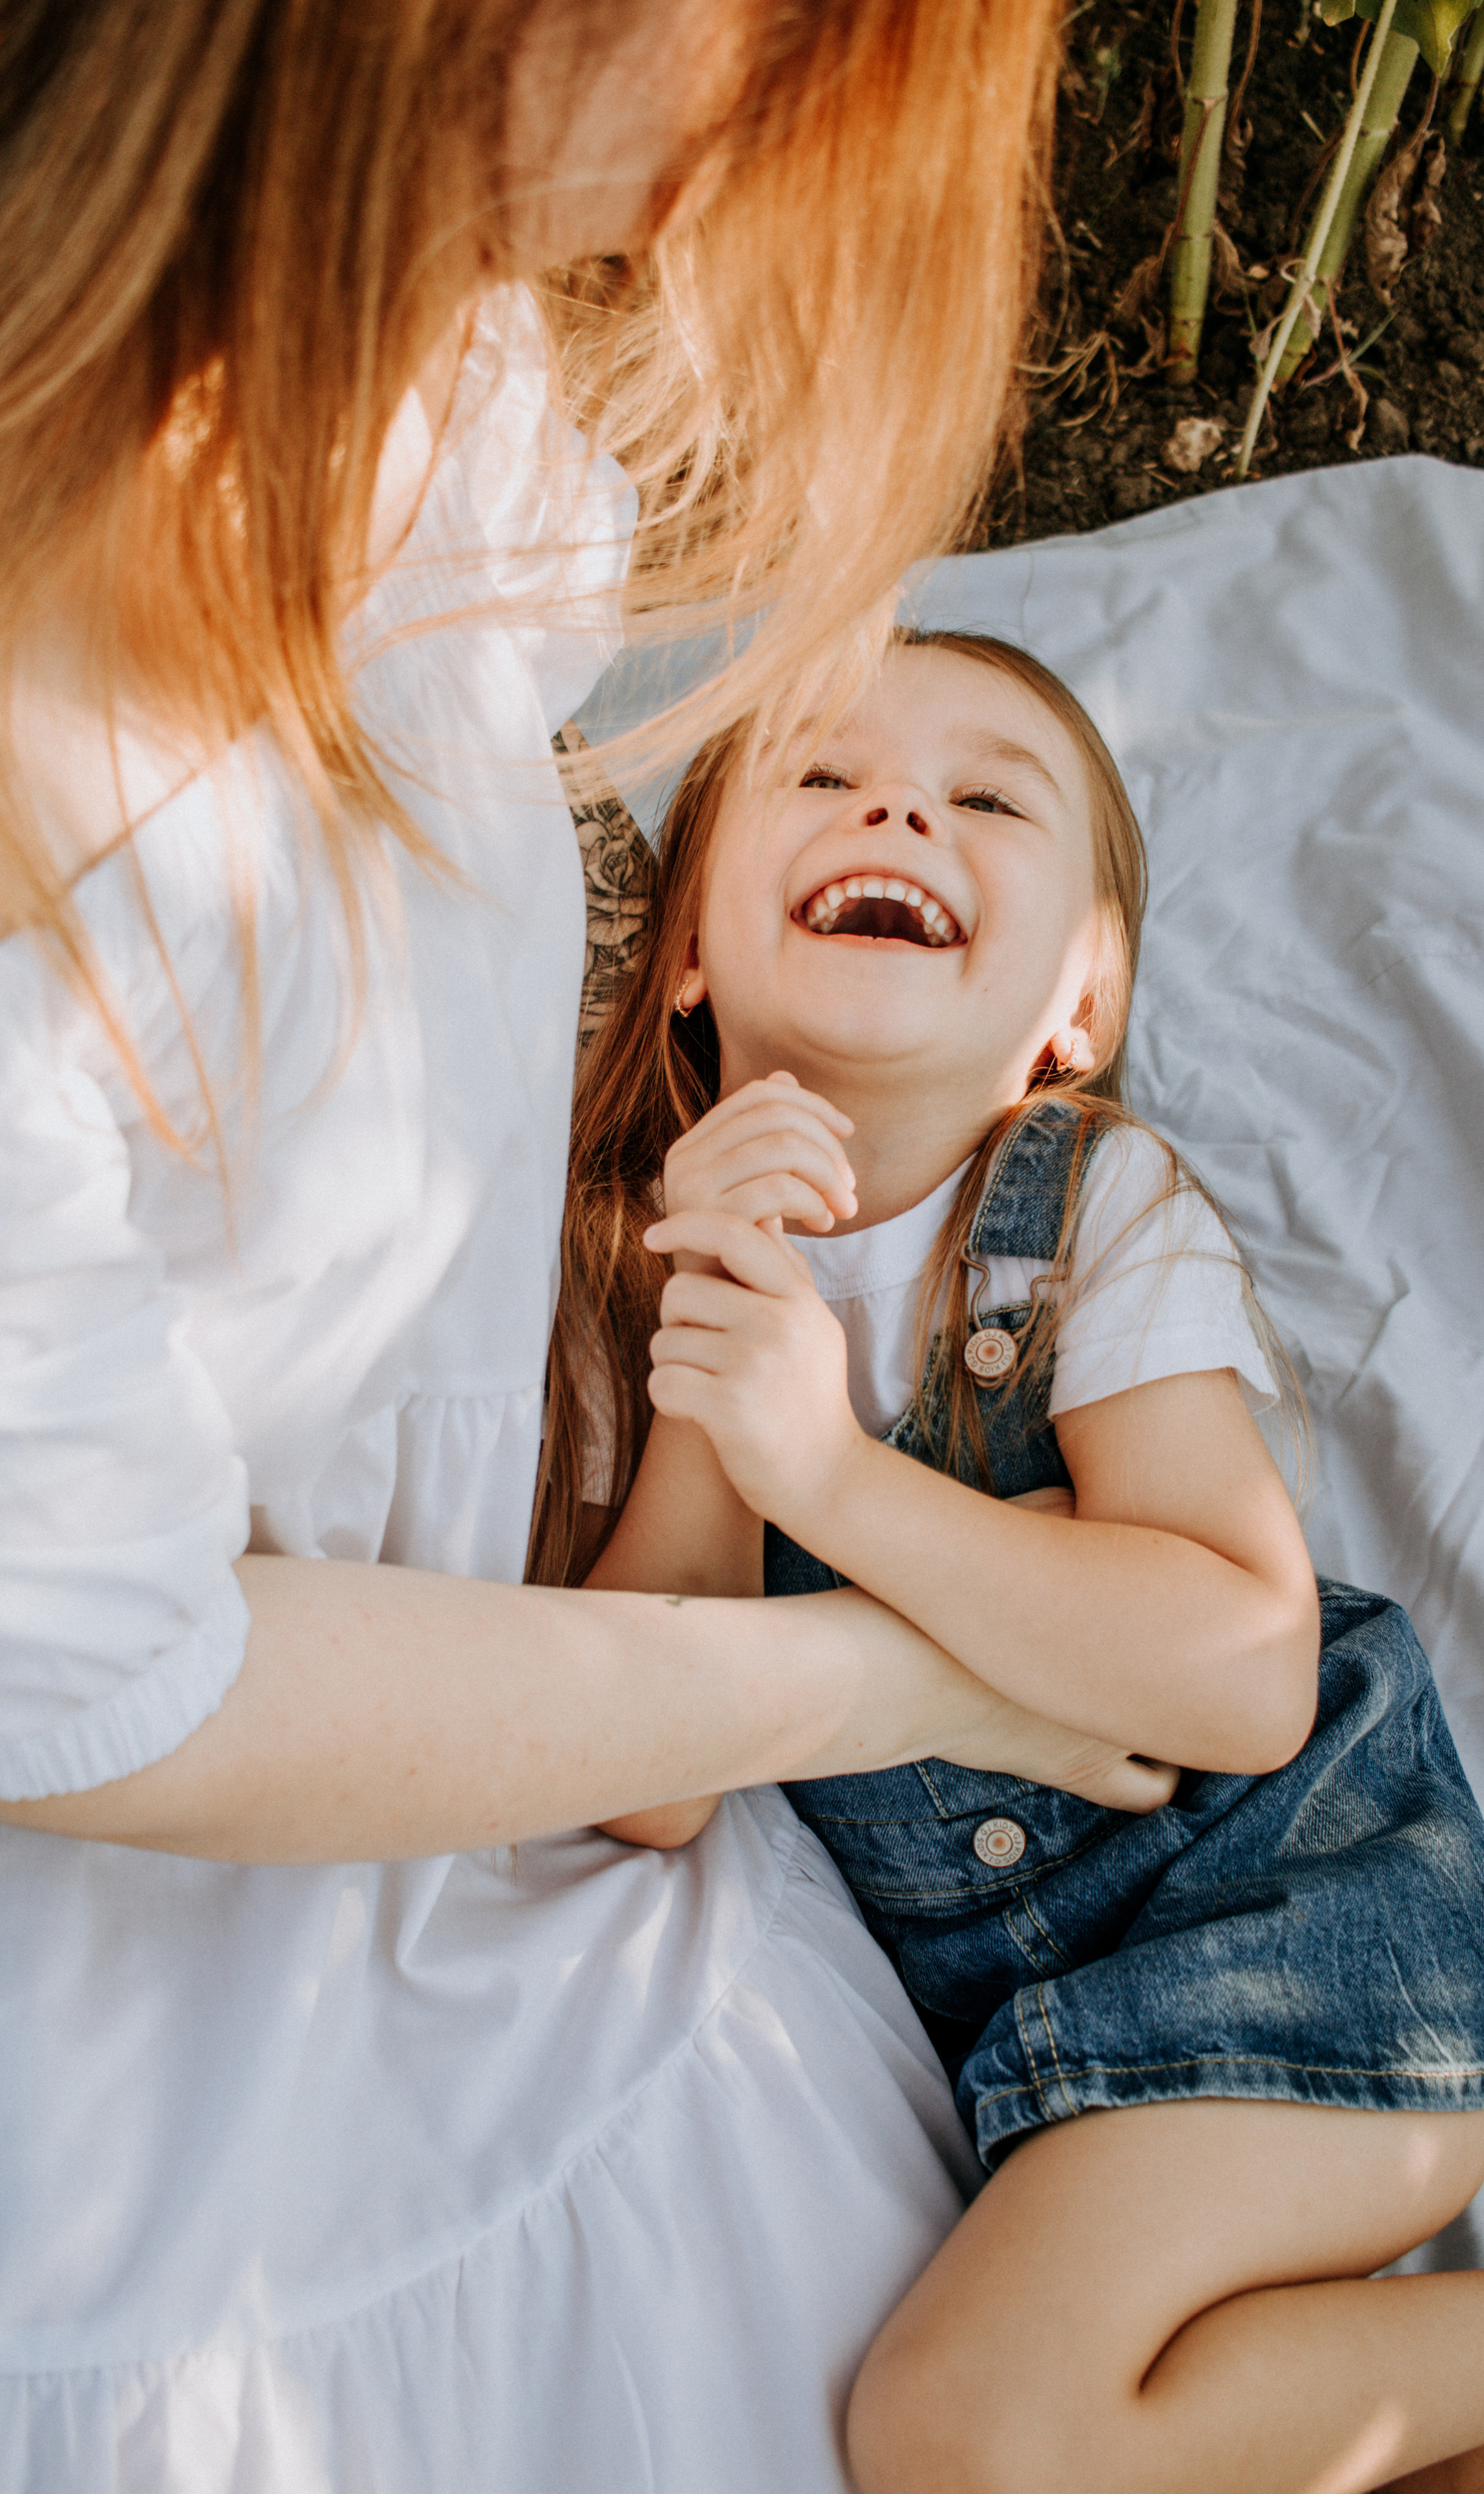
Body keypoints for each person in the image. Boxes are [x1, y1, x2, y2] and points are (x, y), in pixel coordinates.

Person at [0, 5, 1184, 2489]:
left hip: (525, 1759)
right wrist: (888, 1674)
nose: (774, 155)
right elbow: (144, 1706)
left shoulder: (372, 332)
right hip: (128, 2037)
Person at [540, 628, 1484, 2494]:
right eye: (818, 777)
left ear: (1079, 994)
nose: (897, 804)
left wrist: (829, 1465)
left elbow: (1241, 1669)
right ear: (698, 954)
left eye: (986, 798)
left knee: (965, 2433)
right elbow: (641, 1791)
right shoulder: (621, 1274)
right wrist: (720, 1365)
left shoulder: (1083, 1209)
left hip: (1303, 1931)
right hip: (1046, 2057)